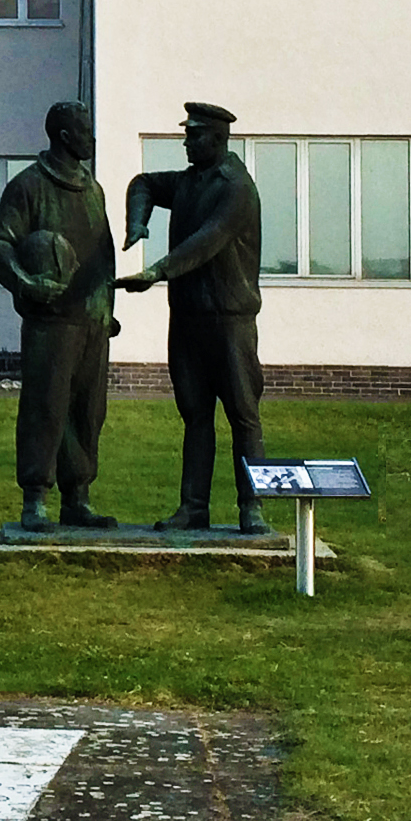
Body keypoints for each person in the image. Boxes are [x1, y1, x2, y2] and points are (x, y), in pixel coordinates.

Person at [122, 100, 268, 533]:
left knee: (243, 413)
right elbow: (143, 183)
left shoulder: (236, 188)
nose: (186, 142)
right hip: (187, 318)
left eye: (194, 135)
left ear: (219, 139)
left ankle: (252, 506)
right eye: (186, 134)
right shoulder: (188, 183)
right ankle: (193, 507)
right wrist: (137, 224)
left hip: (229, 319)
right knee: (195, 414)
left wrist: (157, 271)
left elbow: (209, 239)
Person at [0, 100, 118, 533]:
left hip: (92, 321)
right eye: (85, 131)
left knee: (88, 410)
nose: (92, 138)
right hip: (50, 322)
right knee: (45, 406)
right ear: (64, 137)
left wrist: (108, 310)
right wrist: (24, 281)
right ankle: (35, 498)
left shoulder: (93, 190)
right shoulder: (29, 186)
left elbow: (103, 256)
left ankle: (78, 498)